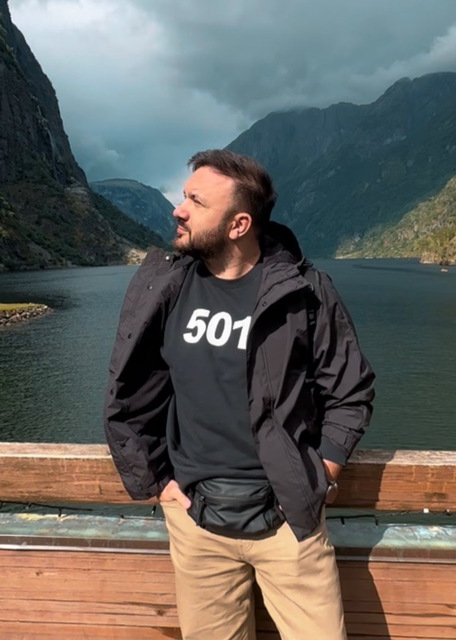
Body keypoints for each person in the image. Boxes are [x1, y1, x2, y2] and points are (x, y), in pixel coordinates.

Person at [104, 149, 375, 640]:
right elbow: (133, 392)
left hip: (289, 522)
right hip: (196, 524)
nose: (178, 210)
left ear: (238, 224)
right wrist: (158, 483)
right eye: (184, 196)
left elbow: (350, 391)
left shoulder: (306, 291)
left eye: (196, 202)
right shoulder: (166, 287)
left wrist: (320, 475)